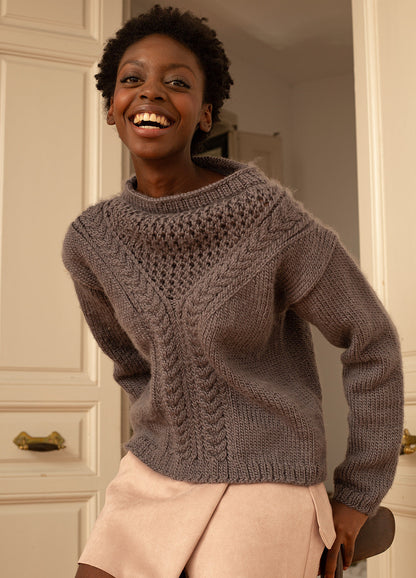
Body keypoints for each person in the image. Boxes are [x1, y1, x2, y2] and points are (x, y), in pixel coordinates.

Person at [62, 5, 403, 578]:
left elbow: (371, 340)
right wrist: (168, 428)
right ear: (112, 107)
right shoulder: (91, 242)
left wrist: (358, 492)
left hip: (267, 475)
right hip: (152, 475)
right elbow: (133, 366)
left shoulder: (271, 221)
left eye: (177, 82)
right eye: (132, 79)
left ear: (205, 113)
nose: (151, 92)